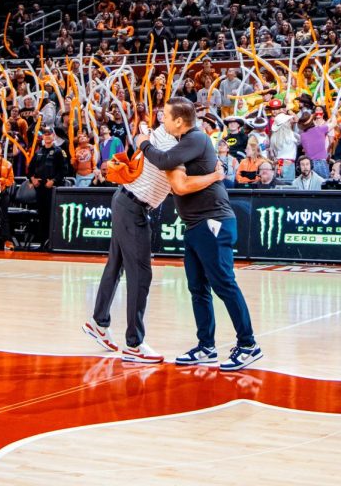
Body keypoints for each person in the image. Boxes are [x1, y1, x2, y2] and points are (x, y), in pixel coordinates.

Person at [84, 115, 225, 365]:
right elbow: (180, 186)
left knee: (115, 265)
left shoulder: (160, 135)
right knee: (140, 275)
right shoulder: (171, 146)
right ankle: (134, 344)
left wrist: (143, 138)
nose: (201, 131)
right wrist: (213, 177)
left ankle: (99, 322)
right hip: (133, 207)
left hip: (124, 201)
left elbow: (146, 139)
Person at [137, 97, 261, 372]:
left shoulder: (197, 138)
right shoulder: (185, 142)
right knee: (198, 288)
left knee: (224, 284)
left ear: (179, 121)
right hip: (196, 225)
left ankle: (249, 344)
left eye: (166, 116)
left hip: (213, 221)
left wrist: (143, 142)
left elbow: (163, 160)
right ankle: (206, 346)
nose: (162, 120)